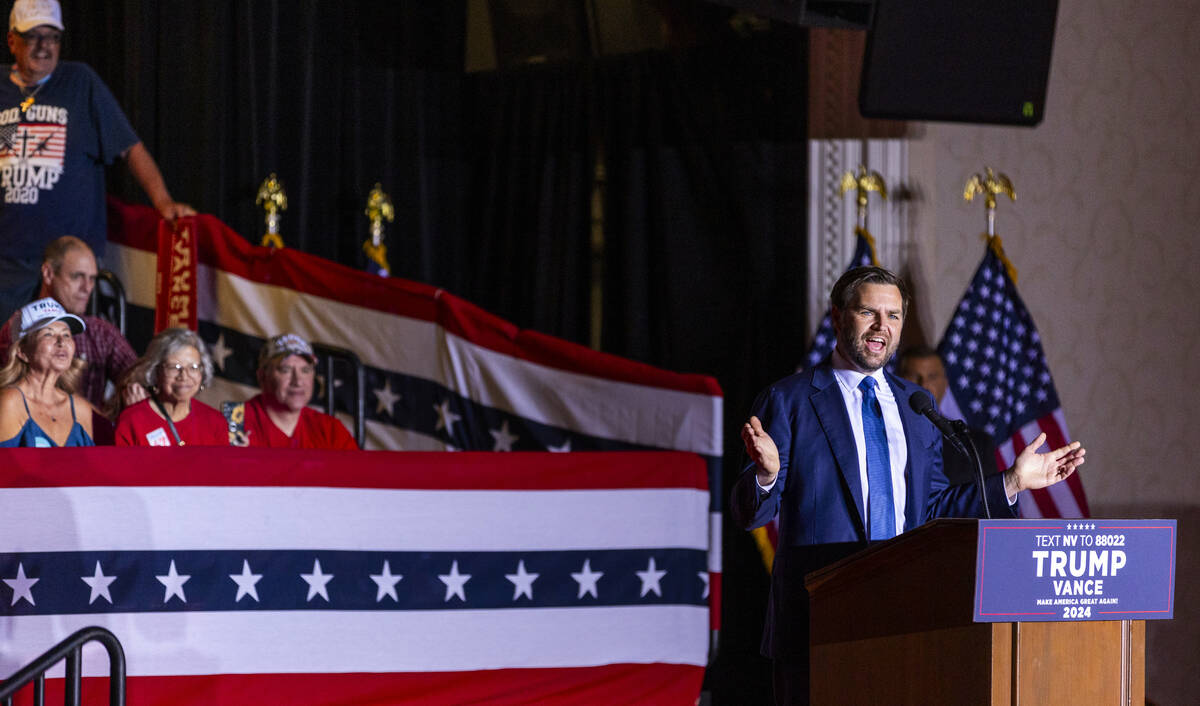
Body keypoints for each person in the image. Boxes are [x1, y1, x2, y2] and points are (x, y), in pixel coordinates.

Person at [733, 266, 1085, 705]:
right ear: (839, 316)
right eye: (869, 313)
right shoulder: (789, 399)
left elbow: (932, 509)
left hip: (905, 620)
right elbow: (752, 514)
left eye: (894, 316)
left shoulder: (915, 404)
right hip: (817, 625)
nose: (883, 327)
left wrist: (1013, 481)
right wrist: (767, 475)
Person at [0, 0, 195, 319]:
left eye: (52, 37)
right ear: (12, 41)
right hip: (7, 261)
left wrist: (163, 202)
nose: (44, 46)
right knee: (8, 359)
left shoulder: (80, 82)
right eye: (33, 36)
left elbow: (130, 147)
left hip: (68, 261)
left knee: (63, 354)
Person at [0, 236, 140, 411]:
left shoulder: (100, 332)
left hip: (88, 434)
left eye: (92, 279)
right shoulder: (20, 326)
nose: (87, 287)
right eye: (77, 277)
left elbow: (137, 376)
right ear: (49, 273)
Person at [895, 344, 1000, 486]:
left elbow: (989, 501)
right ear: (898, 381)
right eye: (914, 376)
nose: (924, 385)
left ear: (945, 384)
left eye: (932, 377)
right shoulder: (882, 434)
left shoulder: (976, 444)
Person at [233, 333, 357, 449]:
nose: (297, 381)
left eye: (305, 370)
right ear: (262, 377)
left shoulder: (331, 430)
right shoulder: (235, 423)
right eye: (285, 370)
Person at [0, 296, 92, 446]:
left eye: (66, 334)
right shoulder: (10, 403)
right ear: (23, 351)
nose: (61, 342)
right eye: (48, 334)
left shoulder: (82, 410)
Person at [114, 327, 226, 446]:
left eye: (193, 368)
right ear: (156, 371)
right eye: (174, 367)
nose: (184, 376)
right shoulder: (133, 420)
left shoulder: (215, 422)